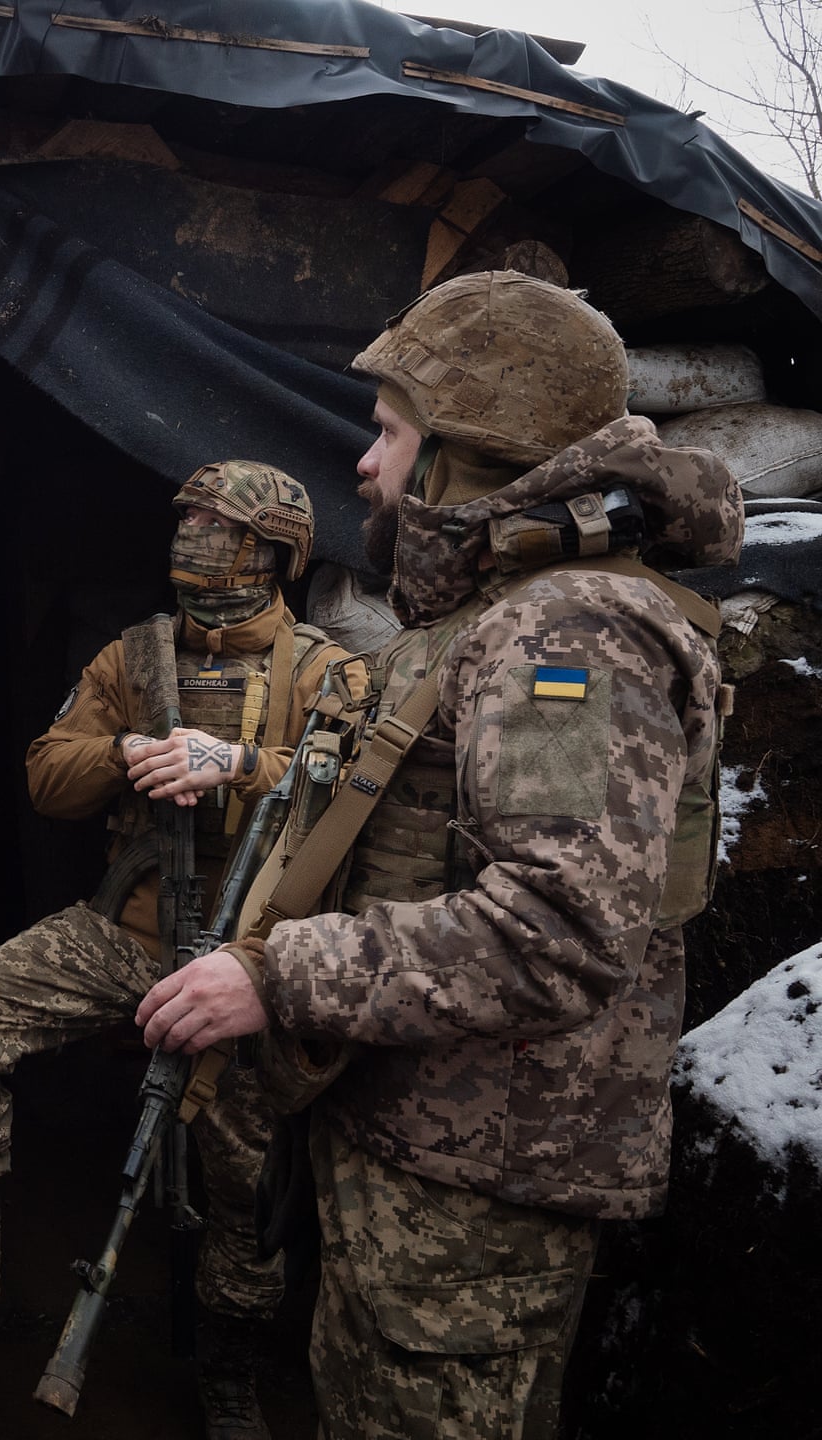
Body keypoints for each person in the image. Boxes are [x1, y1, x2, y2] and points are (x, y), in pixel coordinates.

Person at [134, 272, 743, 1439]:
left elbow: (558, 929)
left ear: (465, 458)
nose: (367, 465)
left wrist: (278, 975)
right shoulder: (501, 615)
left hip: (476, 1180)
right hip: (429, 1144)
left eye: (389, 434)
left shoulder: (569, 632)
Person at [0, 461, 365, 1439]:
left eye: (220, 530)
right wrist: (123, 754)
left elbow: (355, 799)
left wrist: (238, 763)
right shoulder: (137, 657)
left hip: (254, 966)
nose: (195, 543)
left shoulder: (329, 674)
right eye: (189, 524)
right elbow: (47, 776)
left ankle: (231, 1371)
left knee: (247, 1187)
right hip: (129, 932)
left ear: (276, 554)